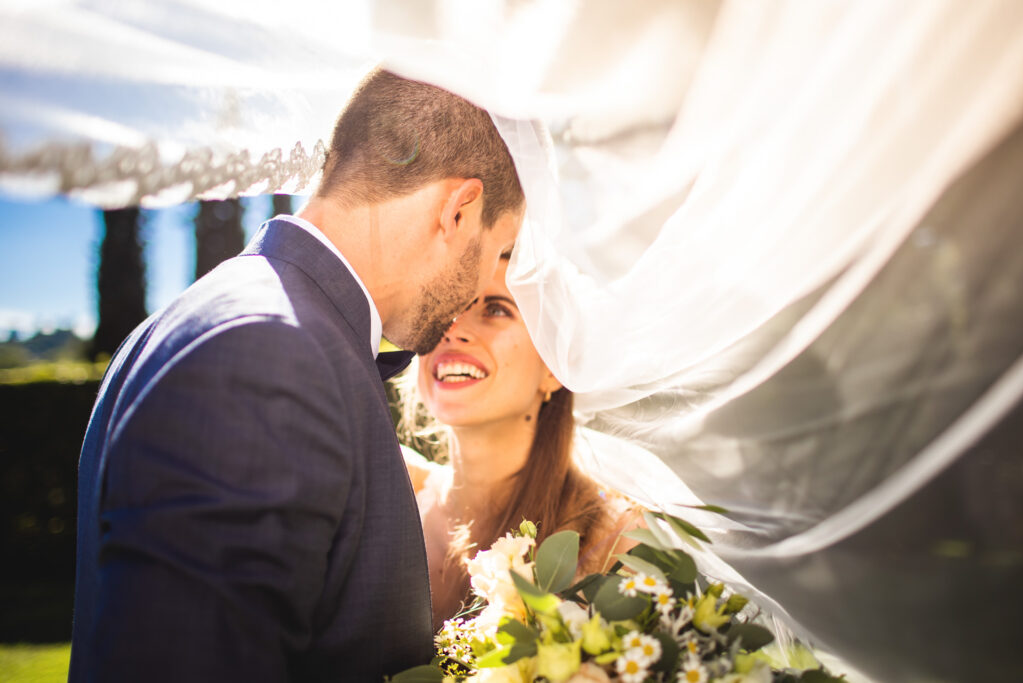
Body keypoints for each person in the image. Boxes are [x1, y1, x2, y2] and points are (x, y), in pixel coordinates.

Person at [69, 68, 523, 681]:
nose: (476, 290)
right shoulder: (266, 354)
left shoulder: (237, 317)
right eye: (497, 253)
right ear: (460, 209)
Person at [403, 255, 640, 629]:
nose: (454, 328)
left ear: (553, 366)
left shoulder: (615, 544)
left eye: (496, 309)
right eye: (446, 305)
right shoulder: (385, 489)